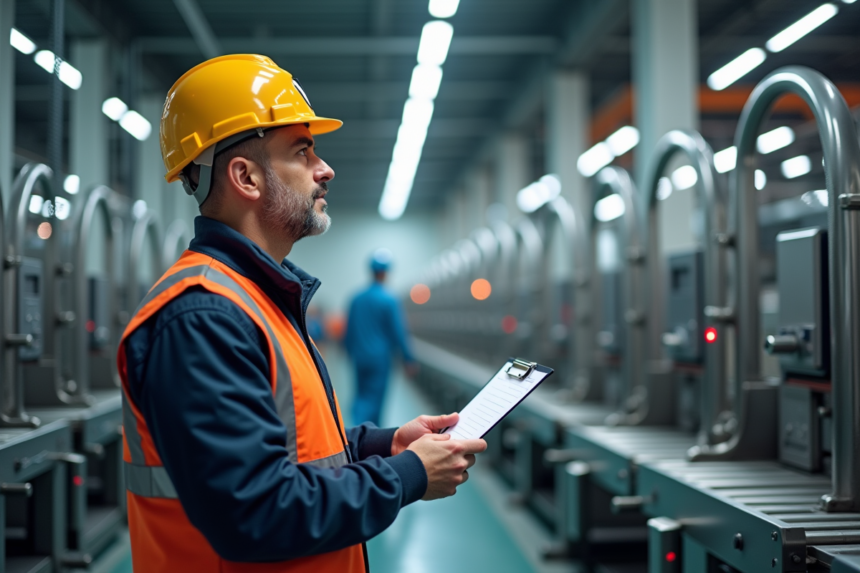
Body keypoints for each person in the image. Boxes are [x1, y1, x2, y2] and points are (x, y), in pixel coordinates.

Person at [118, 54, 486, 572]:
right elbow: (256, 512)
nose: (325, 169)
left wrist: (385, 444)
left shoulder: (256, 297)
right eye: (303, 151)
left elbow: (289, 448)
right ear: (246, 177)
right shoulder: (204, 316)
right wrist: (407, 475)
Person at [345, 249, 417, 426]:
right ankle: (370, 435)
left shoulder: (356, 299)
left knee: (361, 395)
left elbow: (348, 332)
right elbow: (399, 332)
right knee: (375, 400)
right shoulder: (389, 300)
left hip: (359, 357)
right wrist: (409, 359)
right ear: (386, 272)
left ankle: (358, 432)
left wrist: (350, 353)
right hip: (380, 359)